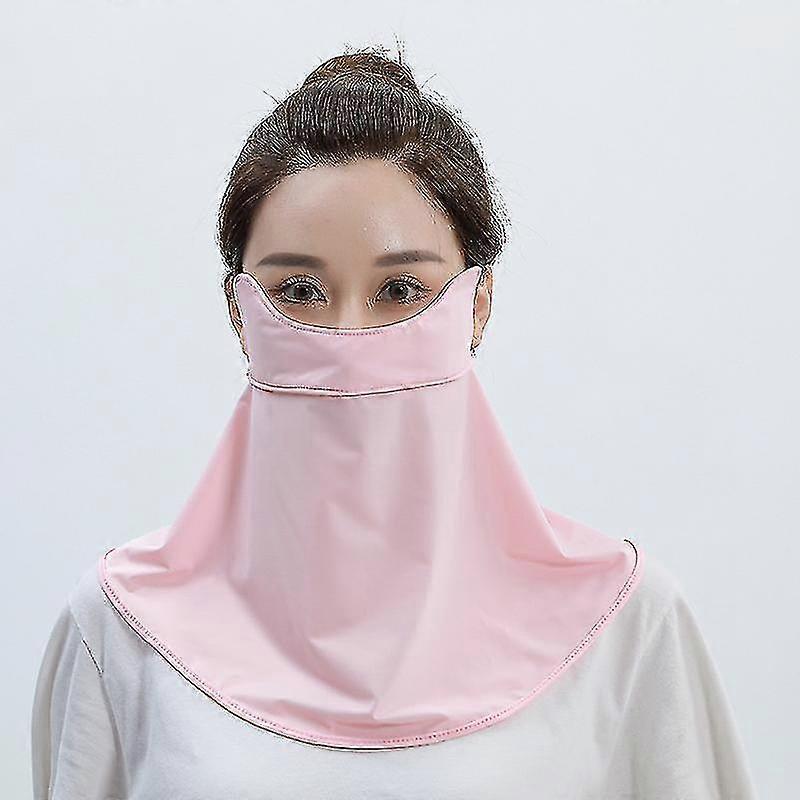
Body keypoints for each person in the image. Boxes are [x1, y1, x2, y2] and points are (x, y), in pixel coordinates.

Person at [31, 46, 759, 799]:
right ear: (239, 313)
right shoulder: (121, 634)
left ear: (477, 306)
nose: (350, 337)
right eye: (300, 291)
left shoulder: (625, 631)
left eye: (402, 289)